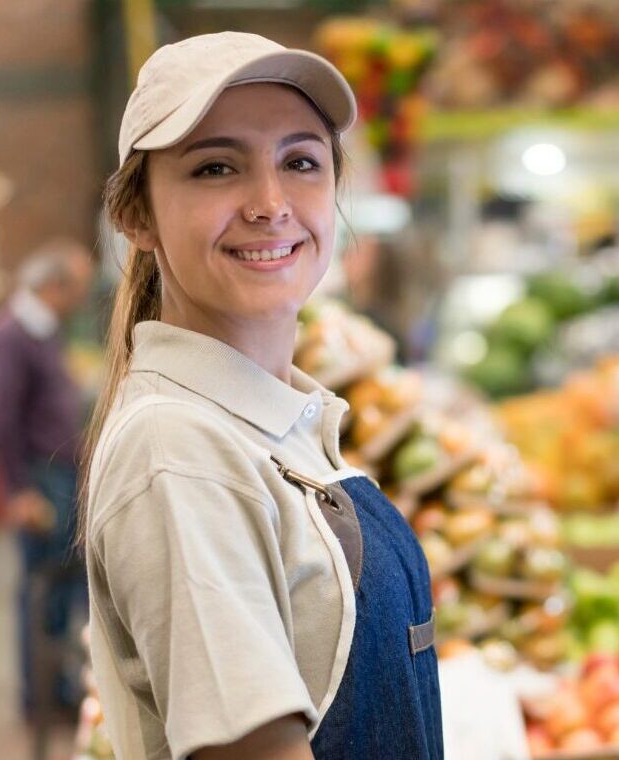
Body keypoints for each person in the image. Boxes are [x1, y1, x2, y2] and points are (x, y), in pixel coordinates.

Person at [80, 32, 443, 760]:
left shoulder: (280, 424)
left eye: (301, 162)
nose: (271, 203)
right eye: (216, 168)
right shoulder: (180, 450)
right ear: (136, 216)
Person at [0, 237, 94, 717]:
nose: (80, 300)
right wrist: (19, 490)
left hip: (58, 472)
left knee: (63, 587)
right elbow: (1, 417)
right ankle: (43, 698)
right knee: (43, 586)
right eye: (76, 289)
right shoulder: (15, 334)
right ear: (54, 286)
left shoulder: (41, 329)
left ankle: (61, 688)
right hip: (40, 478)